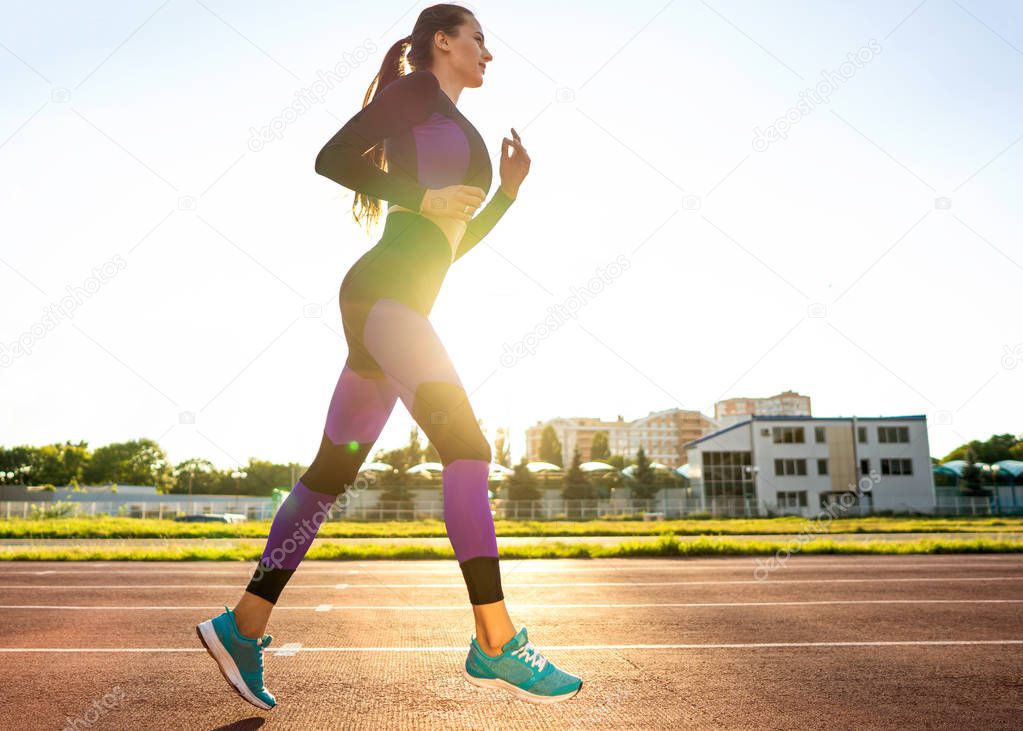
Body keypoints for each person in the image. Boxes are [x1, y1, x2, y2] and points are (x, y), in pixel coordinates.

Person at [196, 3, 583, 709]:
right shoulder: (416, 93)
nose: (488, 54)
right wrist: (420, 192)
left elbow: (445, 244)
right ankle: (494, 639)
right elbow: (330, 158)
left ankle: (242, 625)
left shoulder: (450, 122)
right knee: (467, 448)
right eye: (478, 39)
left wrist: (506, 196)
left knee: (325, 477)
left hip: (394, 300)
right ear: (442, 41)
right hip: (385, 300)